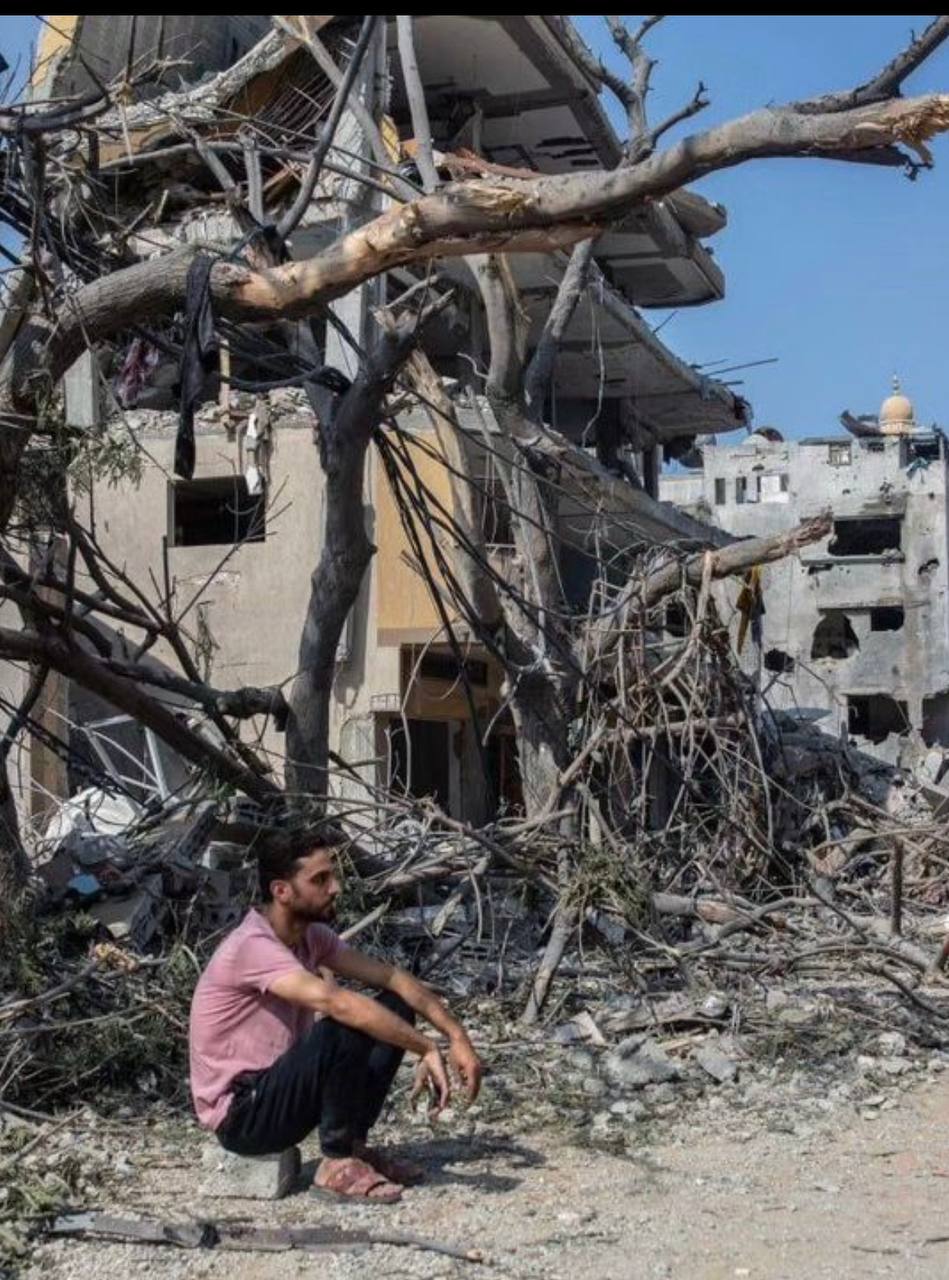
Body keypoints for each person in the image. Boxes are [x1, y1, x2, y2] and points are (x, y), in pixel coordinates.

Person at [189, 829, 483, 1202]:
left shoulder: (311, 937)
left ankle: (353, 1145)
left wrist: (457, 1037)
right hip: (242, 1115)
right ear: (282, 891)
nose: (335, 888)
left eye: (332, 876)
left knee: (394, 1006)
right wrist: (425, 1047)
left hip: (280, 1091)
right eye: (320, 880)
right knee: (341, 1022)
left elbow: (392, 977)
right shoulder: (253, 946)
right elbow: (336, 1004)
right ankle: (336, 1163)